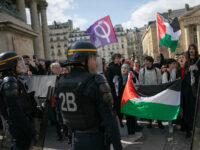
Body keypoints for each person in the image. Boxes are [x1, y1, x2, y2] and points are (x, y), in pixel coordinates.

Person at [55, 41, 122, 150]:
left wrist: (69, 135)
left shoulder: (61, 81)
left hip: (75, 139)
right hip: (95, 140)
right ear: (84, 60)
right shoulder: (95, 80)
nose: (96, 63)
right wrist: (117, 146)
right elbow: (109, 119)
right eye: (94, 59)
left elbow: (59, 114)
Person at [0, 52, 36, 150]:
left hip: (19, 123)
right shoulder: (9, 81)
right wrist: (27, 128)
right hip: (19, 125)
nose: (20, 65)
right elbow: (14, 110)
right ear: (10, 65)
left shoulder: (13, 79)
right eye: (17, 63)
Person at [139, 56, 164, 129]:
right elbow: (141, 82)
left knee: (157, 107)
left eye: (146, 61)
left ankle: (159, 122)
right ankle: (149, 122)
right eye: (145, 61)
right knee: (148, 107)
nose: (145, 62)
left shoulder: (157, 70)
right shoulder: (142, 71)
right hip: (147, 92)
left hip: (156, 91)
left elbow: (159, 81)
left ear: (150, 62)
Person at [106, 53, 124, 127]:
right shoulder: (110, 67)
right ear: (113, 59)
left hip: (121, 90)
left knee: (121, 106)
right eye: (116, 58)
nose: (117, 59)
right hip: (114, 91)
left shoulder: (122, 66)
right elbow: (108, 80)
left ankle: (120, 120)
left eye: (118, 58)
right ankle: (118, 122)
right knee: (117, 107)